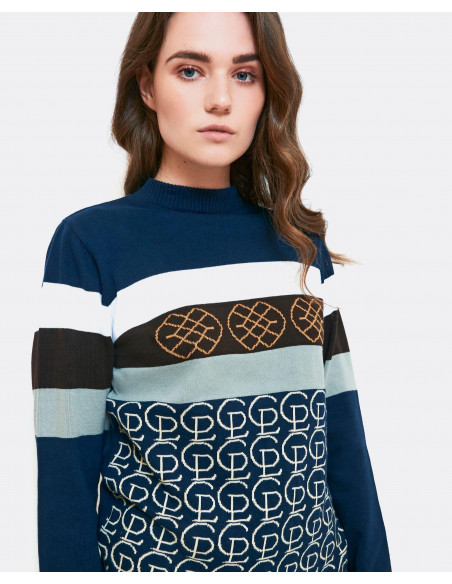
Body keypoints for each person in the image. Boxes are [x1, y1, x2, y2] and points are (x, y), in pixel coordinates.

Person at [31, 12, 392, 572]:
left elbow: (344, 438)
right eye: (190, 70)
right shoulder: (90, 245)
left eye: (245, 75)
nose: (221, 100)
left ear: (267, 93)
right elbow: (65, 473)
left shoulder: (299, 244)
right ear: (147, 86)